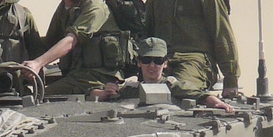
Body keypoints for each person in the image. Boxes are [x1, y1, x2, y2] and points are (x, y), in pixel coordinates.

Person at [145, 0, 241, 99]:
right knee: (145, 90)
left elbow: (223, 37)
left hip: (196, 61)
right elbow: (147, 33)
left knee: (177, 89)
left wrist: (231, 79)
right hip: (161, 61)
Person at [21, 0, 125, 96]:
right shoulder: (65, 9)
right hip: (78, 76)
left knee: (41, 97)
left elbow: (71, 40)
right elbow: (48, 43)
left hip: (100, 77)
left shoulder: (95, 6)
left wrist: (38, 63)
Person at [90, 37, 233, 111]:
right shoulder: (130, 89)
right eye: (146, 60)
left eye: (158, 61)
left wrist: (218, 103)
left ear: (165, 64)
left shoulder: (173, 86)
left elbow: (200, 95)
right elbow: (90, 93)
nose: (152, 66)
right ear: (139, 62)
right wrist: (105, 92)